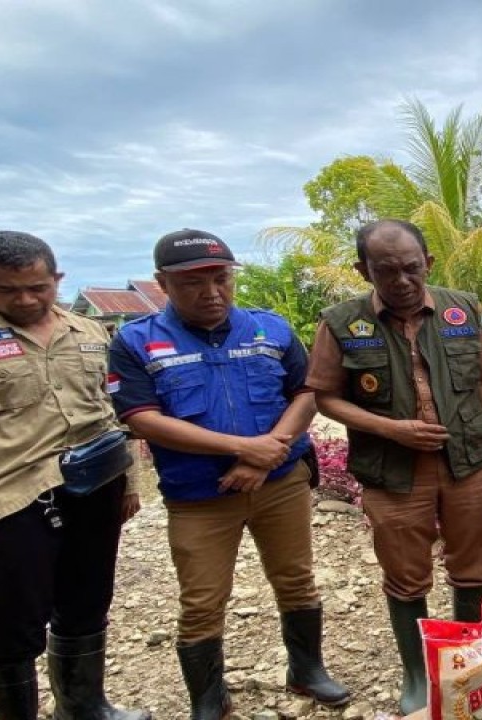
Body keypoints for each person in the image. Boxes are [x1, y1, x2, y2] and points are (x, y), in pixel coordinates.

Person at [108, 229, 349, 718]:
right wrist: (245, 449)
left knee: (297, 580)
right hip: (198, 495)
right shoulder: (136, 341)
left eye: (221, 279)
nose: (212, 292)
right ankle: (209, 698)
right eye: (194, 282)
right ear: (163, 283)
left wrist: (268, 454)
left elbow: (307, 393)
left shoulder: (271, 329)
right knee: (201, 600)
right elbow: (141, 418)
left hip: (279, 484)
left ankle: (307, 671)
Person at [0, 231, 148, 720]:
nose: (26, 299)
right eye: (7, 290)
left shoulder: (87, 331)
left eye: (39, 287)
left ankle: (84, 706)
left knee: (88, 601)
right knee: (16, 623)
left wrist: (129, 483)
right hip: (14, 497)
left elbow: (111, 412)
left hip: (96, 486)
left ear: (57, 278)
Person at [307, 219, 482, 716]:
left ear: (429, 264)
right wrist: (391, 429)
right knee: (405, 575)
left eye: (411, 268)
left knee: (472, 568)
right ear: (364, 270)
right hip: (394, 470)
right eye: (386, 271)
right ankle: (417, 676)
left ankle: (464, 665)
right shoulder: (341, 322)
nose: (401, 280)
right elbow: (325, 398)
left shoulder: (464, 308)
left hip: (465, 460)